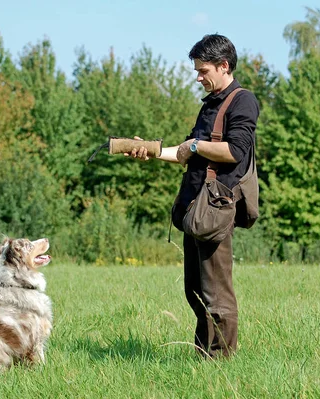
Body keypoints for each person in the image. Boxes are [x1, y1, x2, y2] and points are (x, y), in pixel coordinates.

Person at [127, 34, 260, 358]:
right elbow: (185, 152)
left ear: (224, 65)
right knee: (196, 291)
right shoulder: (211, 104)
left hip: (215, 208)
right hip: (195, 208)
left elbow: (234, 150)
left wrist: (196, 146)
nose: (198, 77)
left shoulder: (242, 100)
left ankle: (221, 362)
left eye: (203, 70)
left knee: (217, 294)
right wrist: (150, 150)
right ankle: (205, 355)